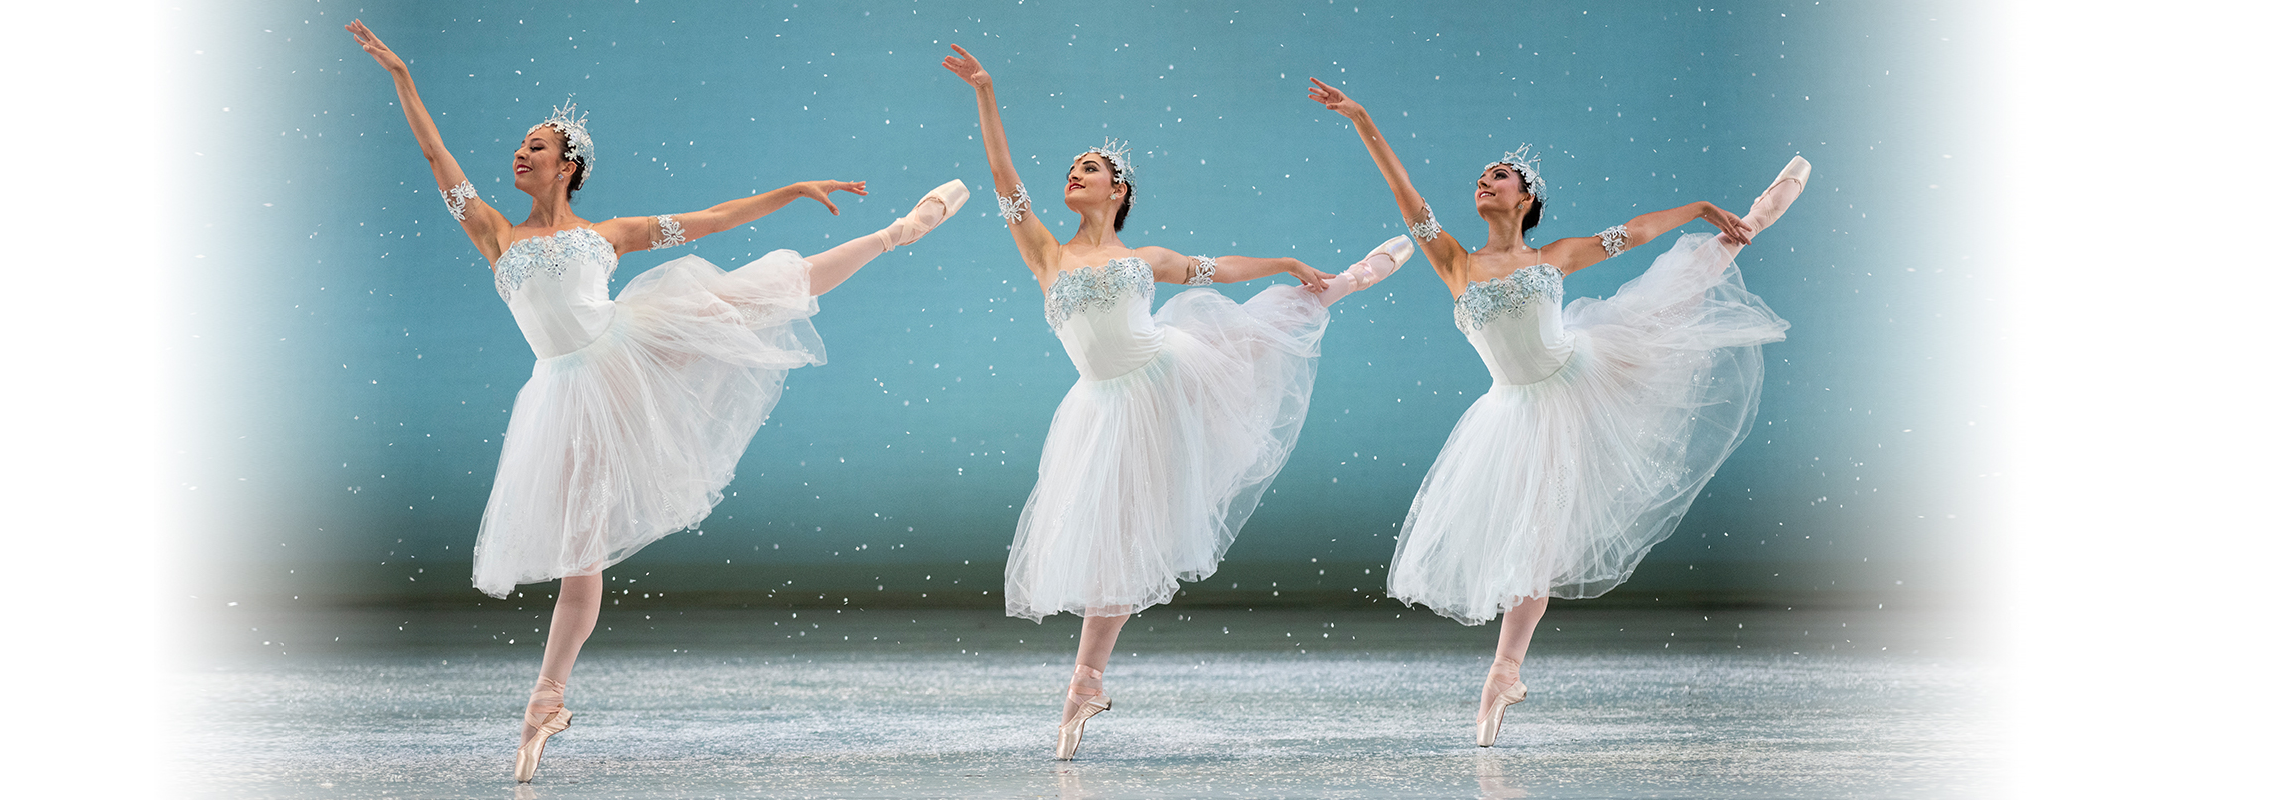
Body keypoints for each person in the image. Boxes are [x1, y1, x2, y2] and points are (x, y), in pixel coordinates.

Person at [347, 20, 969, 781]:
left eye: (536, 147)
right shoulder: (494, 234)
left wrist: (793, 190)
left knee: (759, 294)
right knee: (583, 554)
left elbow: (709, 220)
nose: (520, 152)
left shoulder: (609, 235)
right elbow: (436, 157)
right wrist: (403, 77)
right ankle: (546, 701)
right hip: (566, 393)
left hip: (632, 348)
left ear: (568, 166)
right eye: (520, 145)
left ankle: (894, 235)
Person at [944, 45, 1414, 760]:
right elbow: (1004, 178)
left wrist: (1286, 261)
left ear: (1118, 191)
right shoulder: (1044, 251)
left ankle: (1342, 283)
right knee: (1117, 543)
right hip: (1104, 410)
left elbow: (1218, 269)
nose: (1075, 173)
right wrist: (985, 91)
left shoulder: (1149, 258)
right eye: (1072, 167)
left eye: (1090, 168)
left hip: (1167, 372)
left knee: (1257, 330)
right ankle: (1084, 683)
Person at [1306, 77, 1806, 747]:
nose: (1485, 181)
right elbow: (1406, 198)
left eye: (1500, 175)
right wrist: (1362, 117)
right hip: (1516, 413)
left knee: (1671, 301)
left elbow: (1629, 235)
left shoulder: (1552, 257)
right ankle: (1505, 675)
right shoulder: (1452, 260)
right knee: (1529, 543)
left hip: (1581, 376)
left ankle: (1748, 222)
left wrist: (1695, 208)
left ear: (1526, 197)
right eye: (1482, 176)